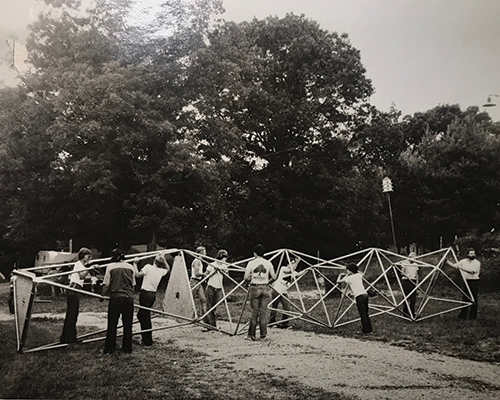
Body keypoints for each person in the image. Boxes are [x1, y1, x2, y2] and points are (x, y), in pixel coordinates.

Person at [102, 248, 137, 354]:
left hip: (116, 298)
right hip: (128, 299)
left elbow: (106, 284)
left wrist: (102, 295)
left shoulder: (110, 267)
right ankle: (127, 348)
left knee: (112, 323)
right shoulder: (131, 267)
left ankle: (109, 348)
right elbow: (133, 285)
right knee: (128, 324)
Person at [135, 253, 170, 346]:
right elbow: (168, 269)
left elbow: (138, 275)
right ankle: (146, 338)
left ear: (154, 260)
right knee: (142, 315)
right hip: (152, 295)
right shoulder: (161, 271)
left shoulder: (148, 267)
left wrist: (135, 264)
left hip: (145, 294)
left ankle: (147, 341)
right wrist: (164, 259)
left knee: (145, 316)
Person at [244, 244, 276, 341]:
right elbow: (274, 277)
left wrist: (250, 280)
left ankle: (251, 335)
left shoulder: (251, 263)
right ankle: (264, 335)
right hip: (266, 288)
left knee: (254, 312)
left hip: (255, 287)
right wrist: (266, 282)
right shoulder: (268, 263)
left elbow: (245, 277)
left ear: (255, 253)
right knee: (263, 312)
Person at [60, 247, 93, 344]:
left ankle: (67, 337)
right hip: (74, 289)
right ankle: (70, 338)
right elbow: (82, 276)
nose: (89, 258)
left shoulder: (81, 265)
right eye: (88, 256)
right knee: (72, 314)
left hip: (76, 289)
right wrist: (89, 268)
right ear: (83, 255)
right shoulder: (78, 264)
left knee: (72, 314)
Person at [269, 257, 308, 328]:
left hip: (284, 292)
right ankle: (271, 322)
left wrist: (307, 270)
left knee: (287, 308)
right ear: (288, 264)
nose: (293, 264)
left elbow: (299, 274)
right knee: (274, 307)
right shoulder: (283, 268)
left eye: (293, 263)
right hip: (276, 291)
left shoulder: (293, 272)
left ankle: (284, 323)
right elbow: (291, 270)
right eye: (291, 263)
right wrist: (297, 262)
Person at [337, 263, 372, 334]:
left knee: (362, 313)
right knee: (365, 313)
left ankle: (365, 331)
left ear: (350, 270)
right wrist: (353, 271)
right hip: (365, 295)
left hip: (359, 296)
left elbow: (338, 281)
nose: (346, 271)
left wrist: (340, 275)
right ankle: (369, 329)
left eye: (347, 270)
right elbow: (361, 273)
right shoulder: (359, 275)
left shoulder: (350, 278)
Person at [446, 248, 481, 320]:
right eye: (471, 253)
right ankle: (463, 315)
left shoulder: (477, 263)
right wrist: (447, 261)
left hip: (474, 281)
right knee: (465, 298)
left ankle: (473, 316)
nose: (473, 255)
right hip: (466, 281)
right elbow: (455, 266)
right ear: (468, 254)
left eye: (474, 253)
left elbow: (472, 271)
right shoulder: (464, 261)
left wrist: (461, 268)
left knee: (473, 298)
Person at [204, 249, 229, 329]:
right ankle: (209, 325)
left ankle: (213, 325)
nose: (225, 259)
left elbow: (227, 276)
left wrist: (222, 271)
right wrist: (214, 272)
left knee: (214, 307)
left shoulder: (224, 266)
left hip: (219, 288)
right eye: (225, 257)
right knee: (209, 306)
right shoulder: (211, 264)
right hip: (211, 286)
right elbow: (205, 275)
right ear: (221, 257)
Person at [398, 252, 419, 318]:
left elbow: (417, 274)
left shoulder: (416, 264)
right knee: (405, 298)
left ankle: (412, 313)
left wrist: (417, 282)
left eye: (414, 257)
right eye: (411, 257)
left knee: (413, 299)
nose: (412, 258)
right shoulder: (404, 263)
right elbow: (402, 272)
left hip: (413, 281)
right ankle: (405, 314)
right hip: (406, 281)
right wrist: (406, 275)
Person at [190, 246, 207, 319]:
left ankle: (204, 316)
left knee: (203, 299)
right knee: (192, 300)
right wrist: (204, 274)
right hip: (194, 281)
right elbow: (197, 273)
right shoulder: (197, 261)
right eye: (204, 251)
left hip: (199, 282)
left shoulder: (199, 261)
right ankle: (191, 317)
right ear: (201, 252)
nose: (205, 253)